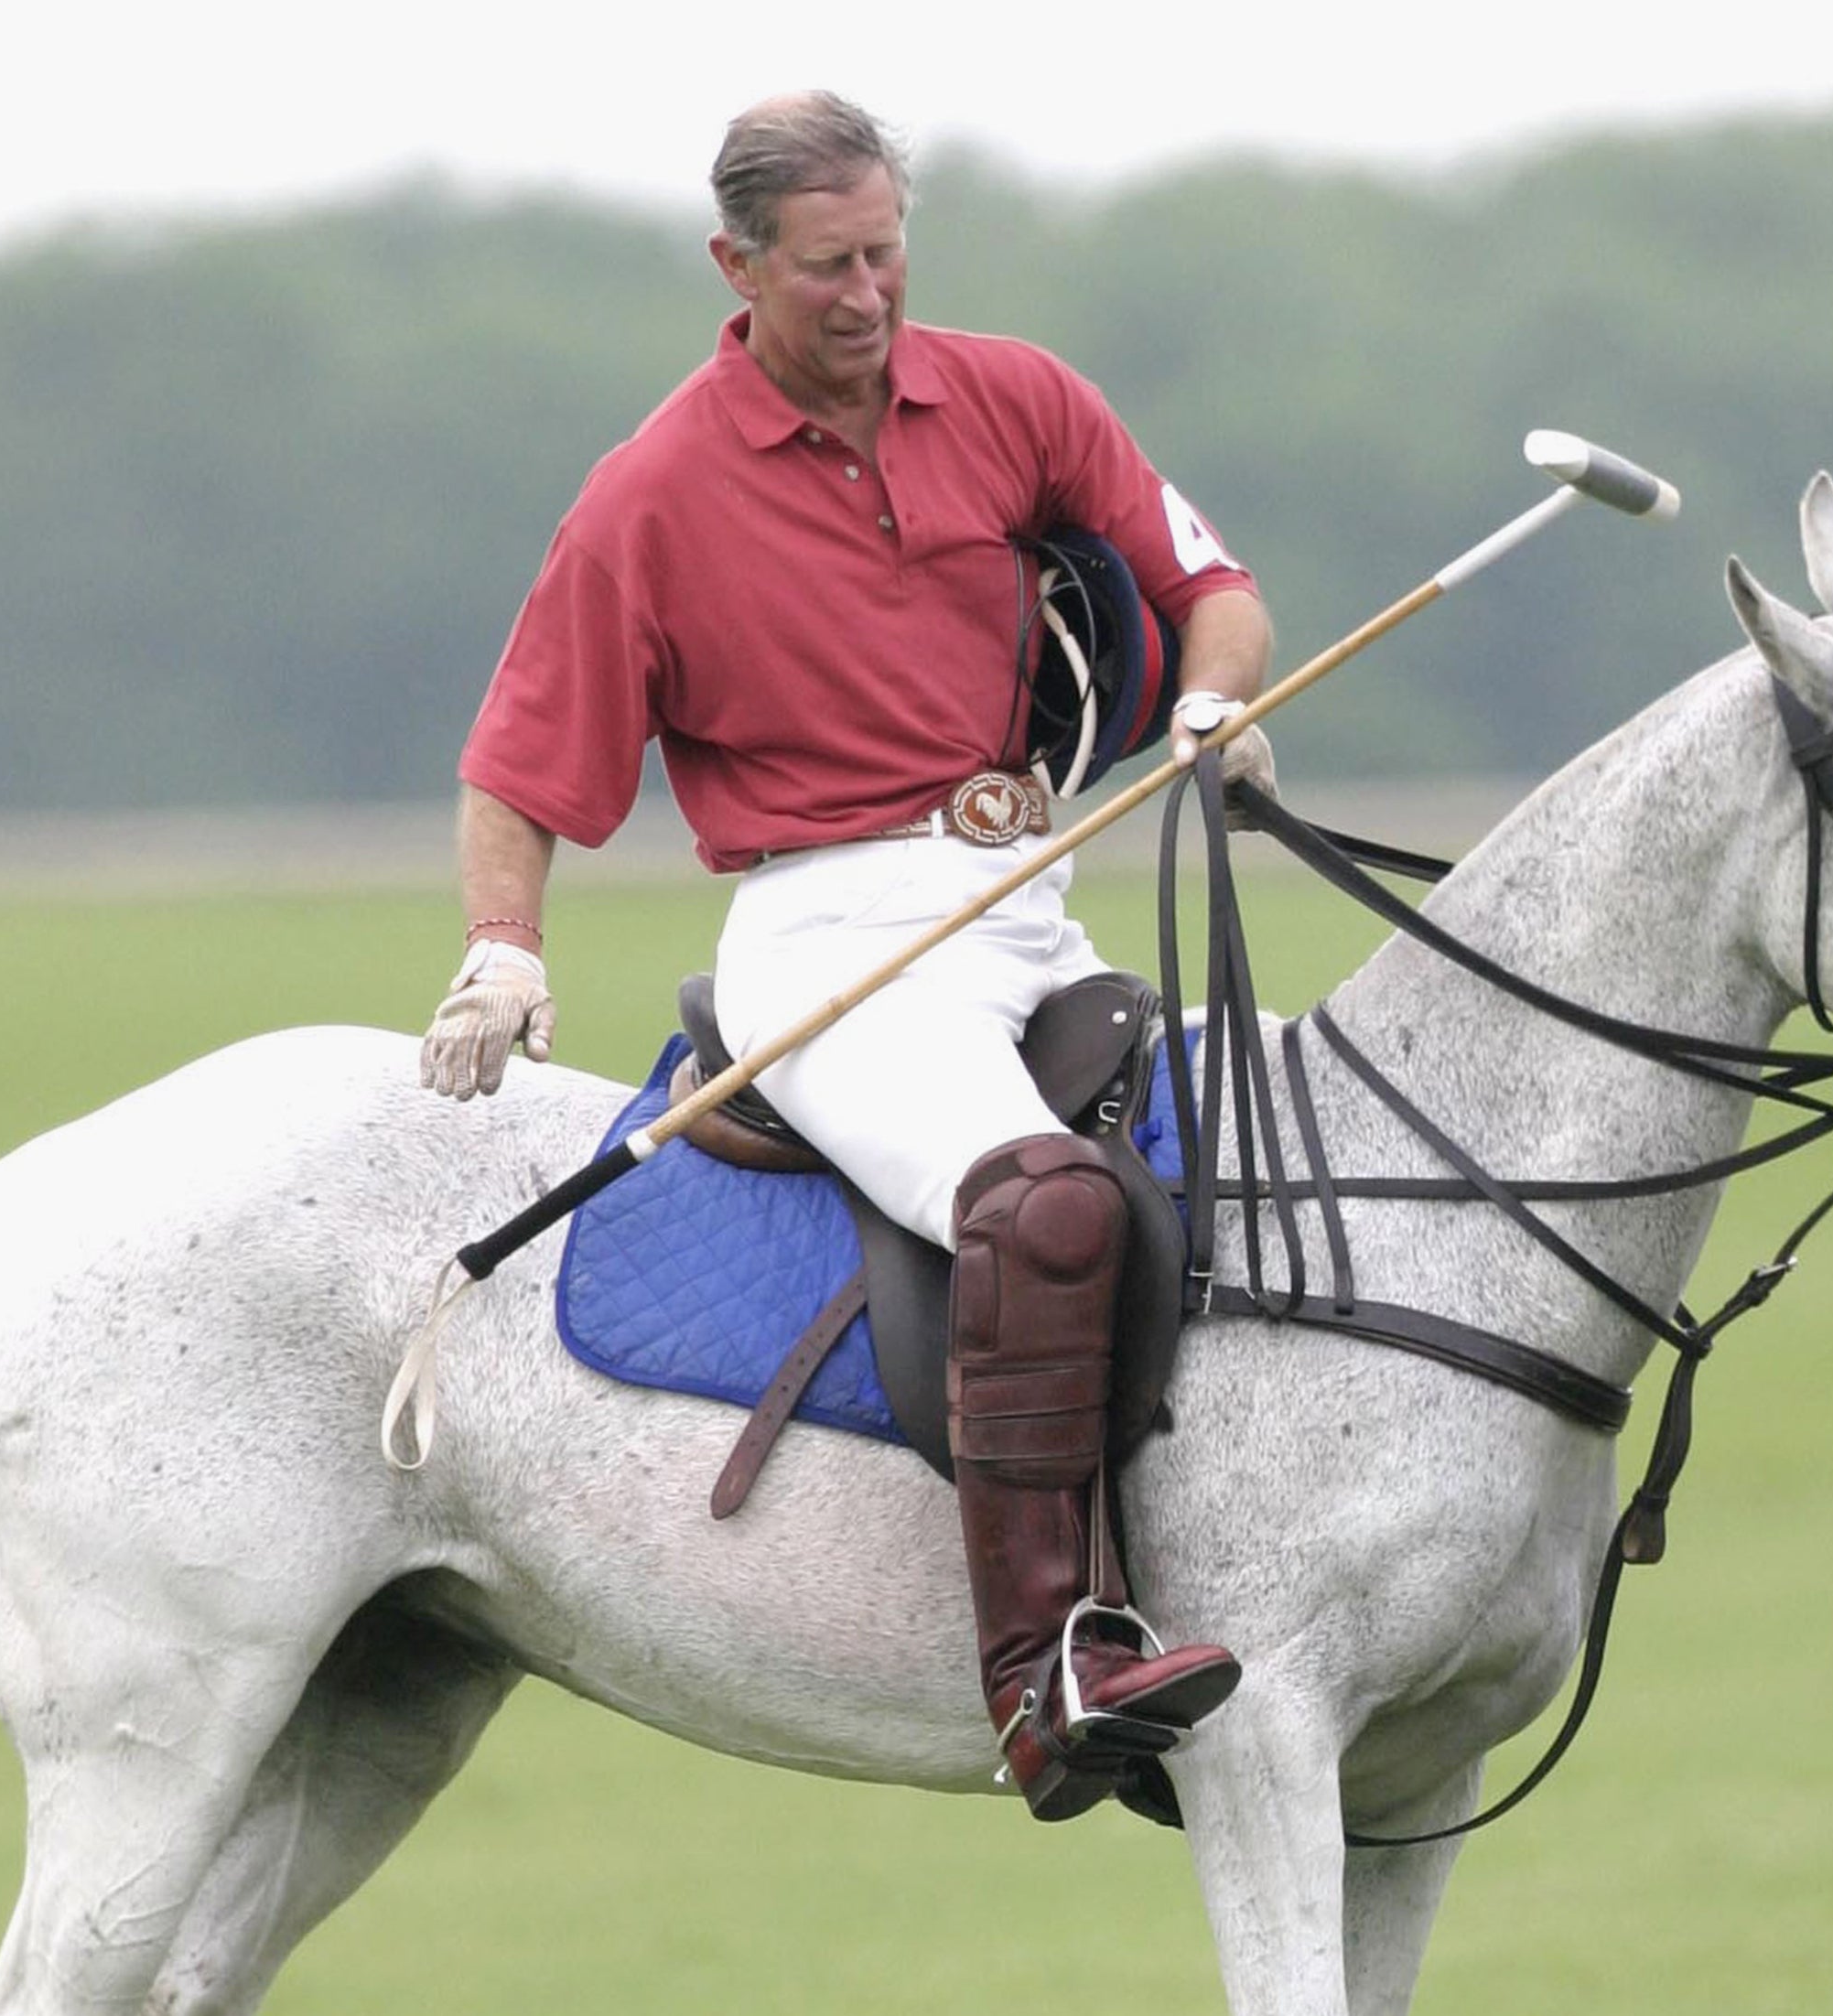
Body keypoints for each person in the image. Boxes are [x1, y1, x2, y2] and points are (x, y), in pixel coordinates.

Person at [420, 91, 1276, 1821]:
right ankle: (1046, 1671)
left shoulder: (1017, 394)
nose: (871, 293)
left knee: (1252, 1151)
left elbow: (1211, 583)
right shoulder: (650, 497)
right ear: (737, 266)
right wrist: (500, 953)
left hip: (1027, 900)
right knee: (1043, 1206)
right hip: (830, 951)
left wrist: (1209, 701)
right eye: (829, 268)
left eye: (888, 251)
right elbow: (519, 771)